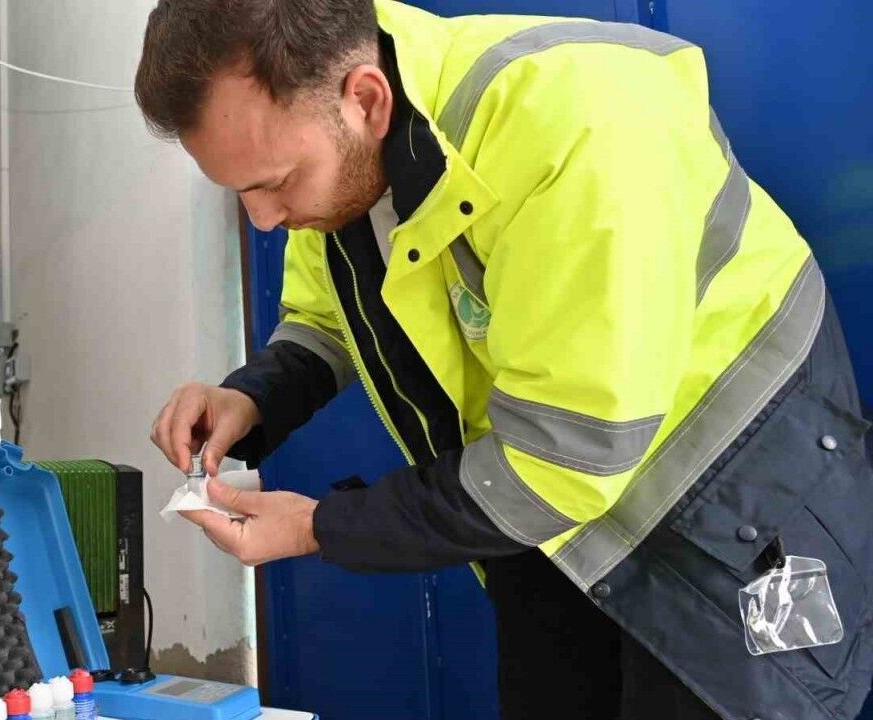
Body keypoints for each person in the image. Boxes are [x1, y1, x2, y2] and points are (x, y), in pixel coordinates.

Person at [134, 0, 873, 718]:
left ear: (366, 99)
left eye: (273, 184)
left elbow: (568, 455)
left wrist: (318, 526)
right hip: (539, 503)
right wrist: (252, 398)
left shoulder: (578, 126)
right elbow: (329, 312)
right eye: (241, 192)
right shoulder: (345, 141)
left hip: (729, 500)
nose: (264, 219)